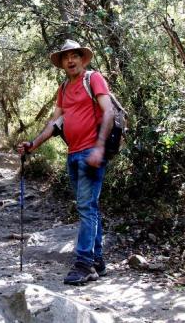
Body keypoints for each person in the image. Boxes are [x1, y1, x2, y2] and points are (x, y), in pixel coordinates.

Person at [18, 39, 114, 285]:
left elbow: (109, 112)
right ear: (61, 63)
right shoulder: (63, 88)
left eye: (75, 56)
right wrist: (34, 143)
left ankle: (84, 264)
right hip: (73, 154)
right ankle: (98, 261)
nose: (71, 60)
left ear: (82, 59)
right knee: (88, 207)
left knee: (86, 208)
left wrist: (100, 148)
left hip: (91, 152)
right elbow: (54, 122)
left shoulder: (93, 79)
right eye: (66, 57)